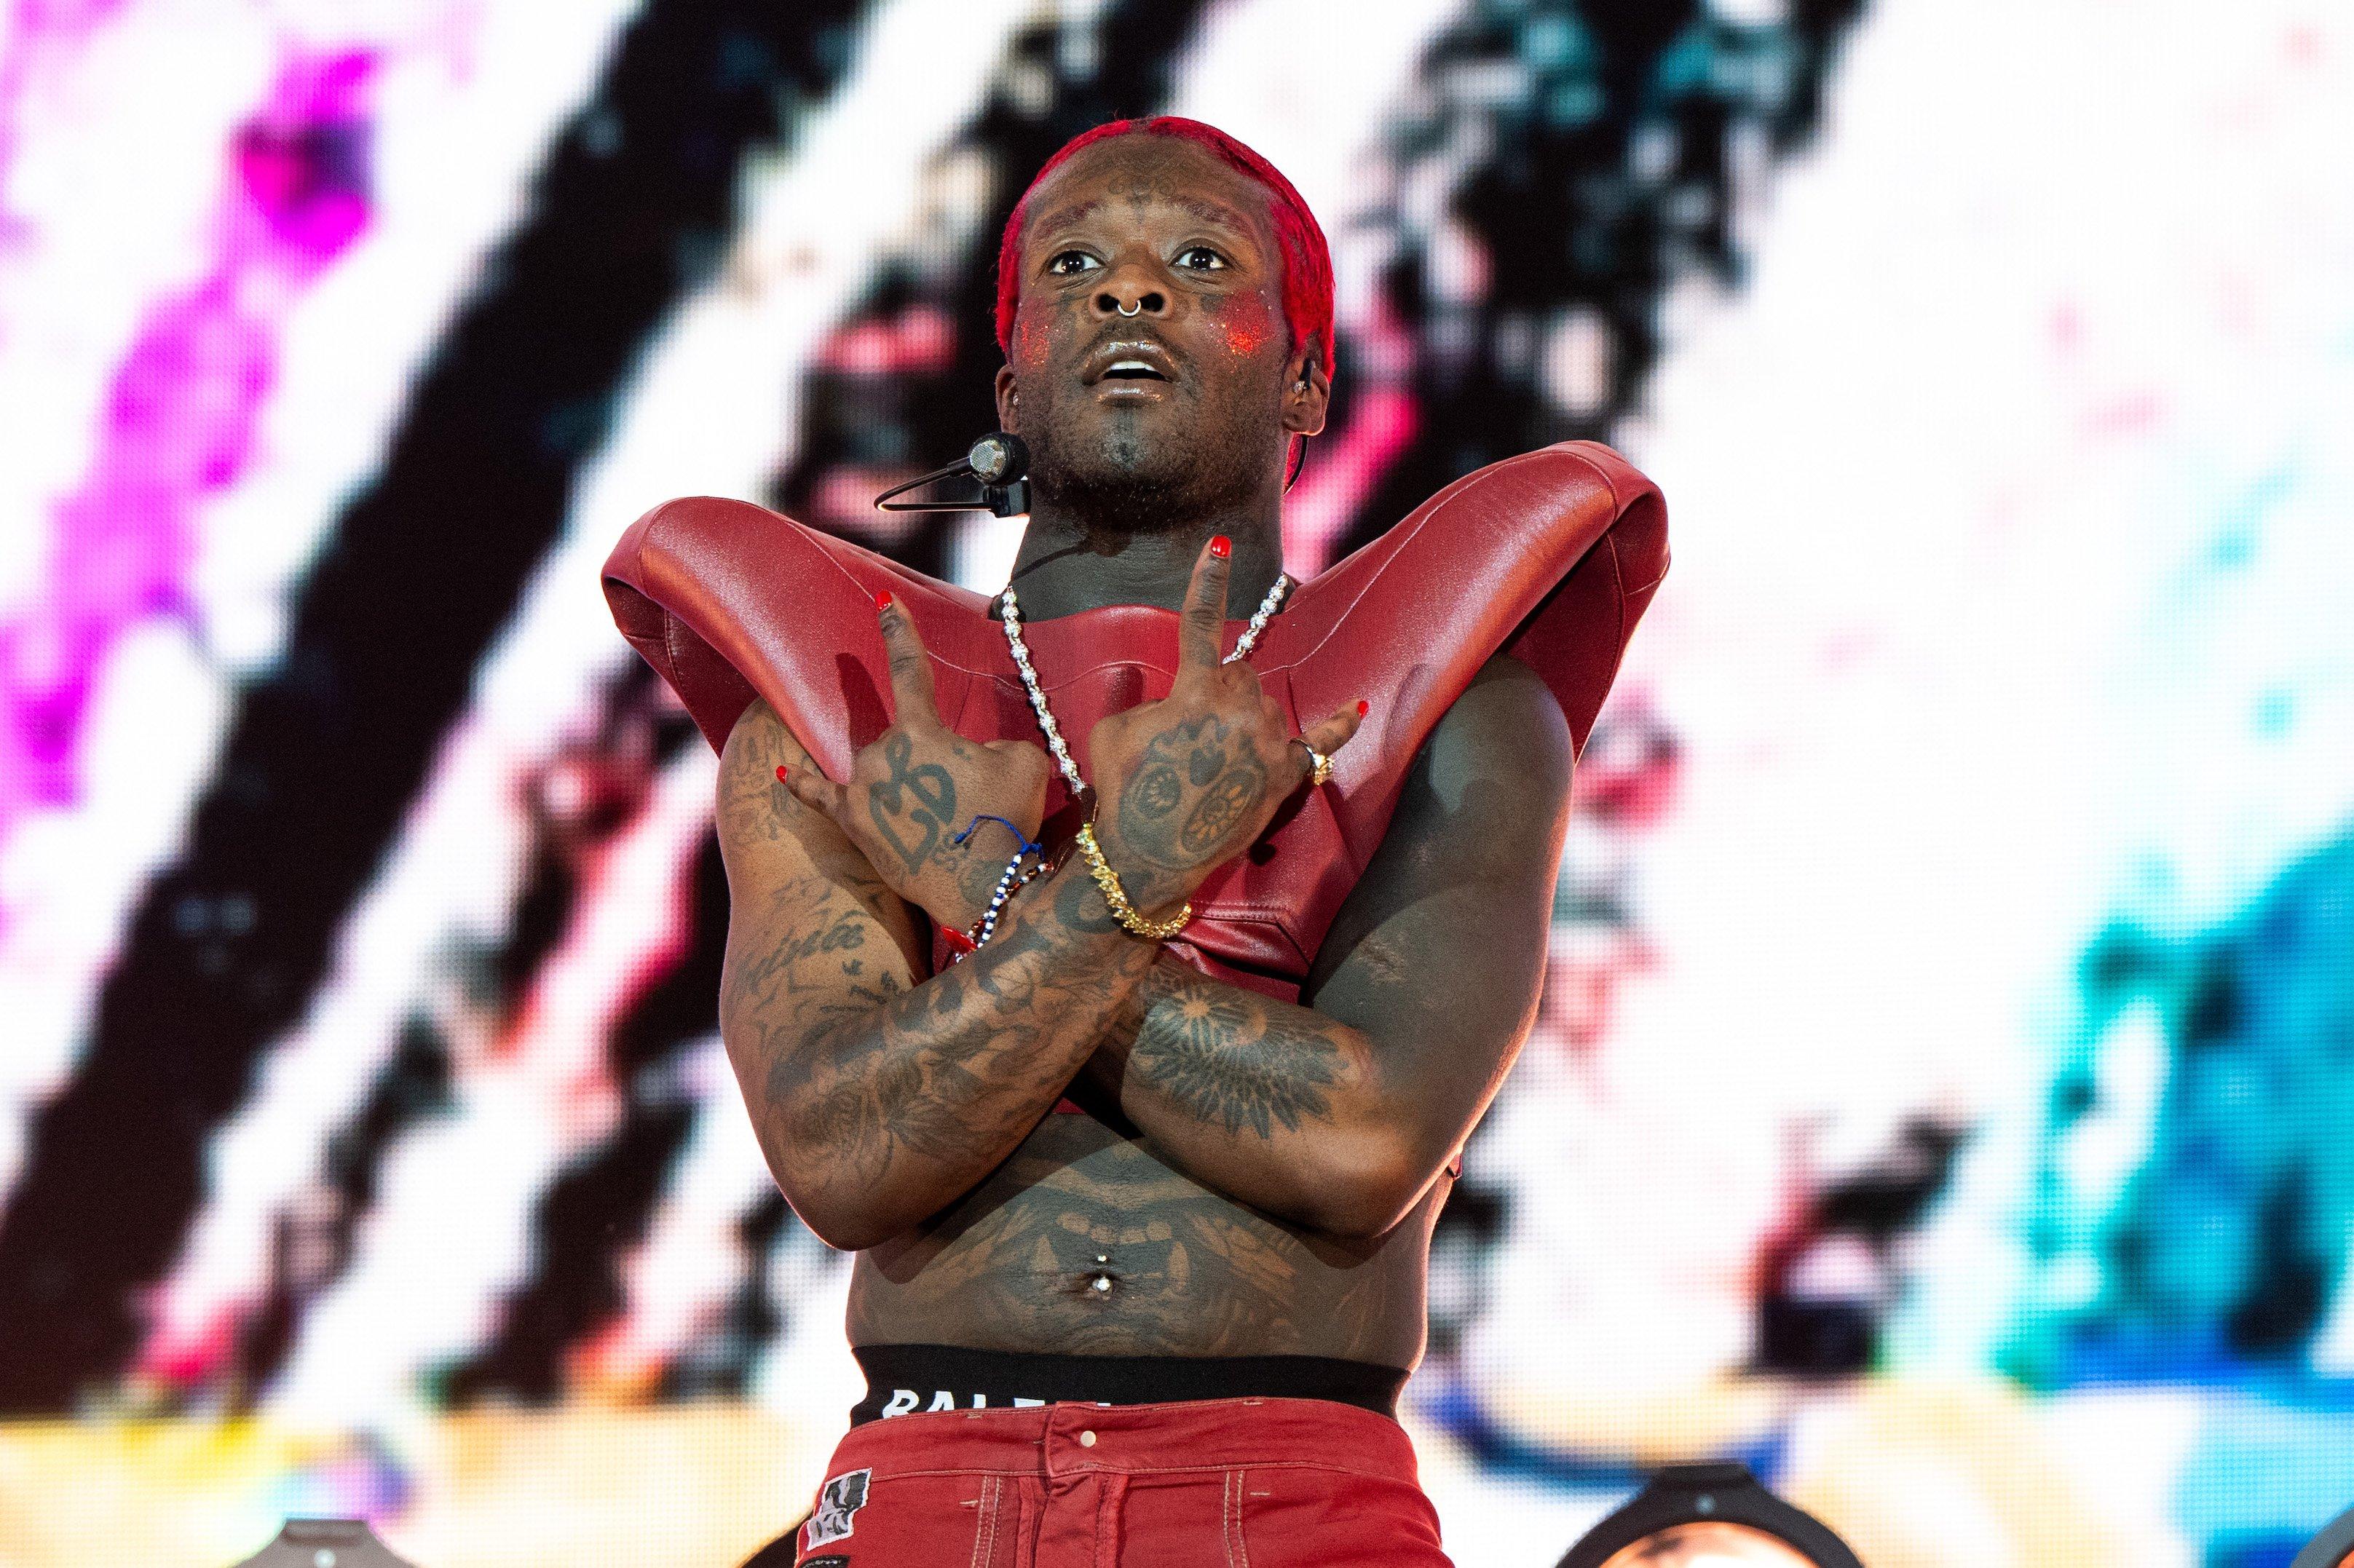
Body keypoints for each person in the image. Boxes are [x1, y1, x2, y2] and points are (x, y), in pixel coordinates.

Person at [604, 116, 1667, 1567]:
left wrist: (990, 886)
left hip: (1290, 1492)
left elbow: (1364, 1142)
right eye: (1075, 267)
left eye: (1199, 261)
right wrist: (1137, 883)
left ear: (1305, 377)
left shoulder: (1454, 708)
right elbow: (842, 1157)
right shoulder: (841, 712)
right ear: (1009, 387)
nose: (1129, 288)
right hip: (928, 1479)